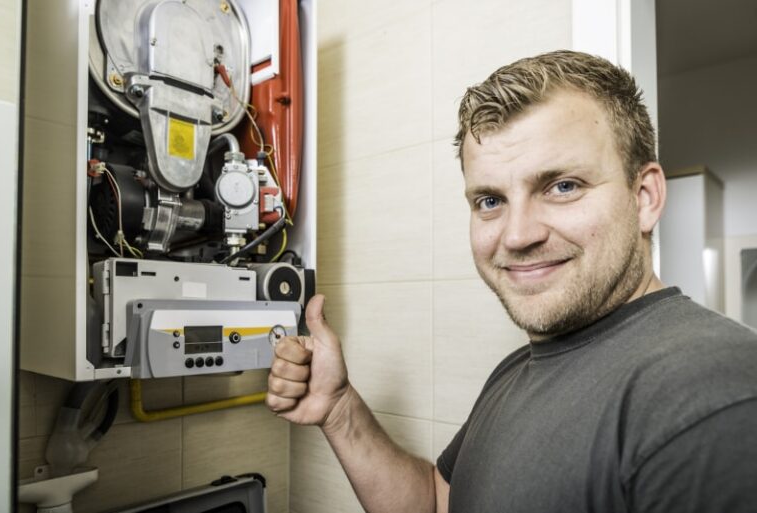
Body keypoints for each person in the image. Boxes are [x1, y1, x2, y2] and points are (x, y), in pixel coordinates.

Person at [266, 50, 757, 512]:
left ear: (645, 197)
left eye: (563, 186)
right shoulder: (519, 367)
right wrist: (338, 409)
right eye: (490, 201)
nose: (517, 235)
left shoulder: (711, 391)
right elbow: (437, 502)